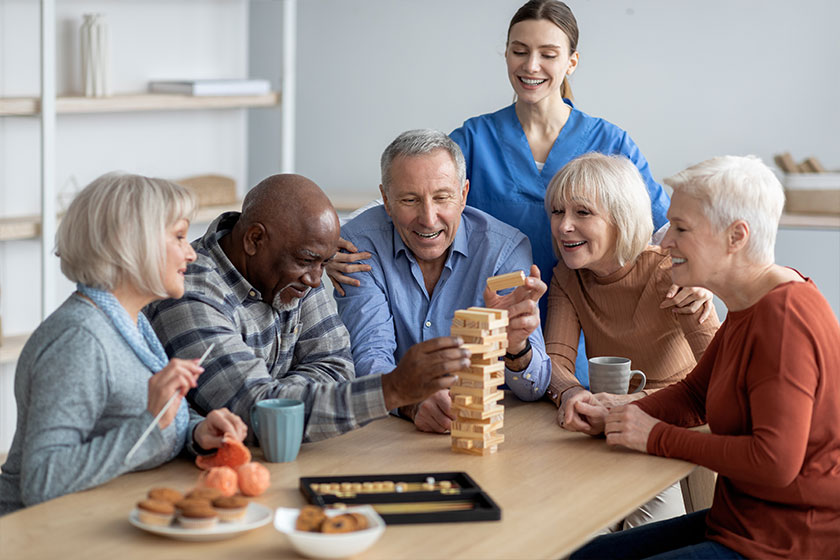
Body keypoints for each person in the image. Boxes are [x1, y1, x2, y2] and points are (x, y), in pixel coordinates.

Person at [327, 0, 712, 386]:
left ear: (571, 62)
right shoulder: (474, 139)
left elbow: (663, 226)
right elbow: (415, 195)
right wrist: (336, 247)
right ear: (507, 54)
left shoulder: (610, 143)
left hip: (577, 332)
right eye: (519, 51)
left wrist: (695, 274)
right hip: (498, 335)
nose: (531, 66)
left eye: (548, 54)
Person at [567, 155, 840, 559]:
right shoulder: (754, 302)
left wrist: (654, 436)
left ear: (736, 237)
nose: (663, 242)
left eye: (681, 228)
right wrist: (620, 412)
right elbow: (695, 396)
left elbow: (775, 462)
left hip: (786, 542)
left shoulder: (784, 319)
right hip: (741, 521)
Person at [146, 174, 470, 444]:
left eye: (324, 263)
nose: (317, 281)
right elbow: (256, 412)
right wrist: (392, 389)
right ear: (254, 239)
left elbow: (337, 365)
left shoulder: (298, 270)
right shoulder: (187, 291)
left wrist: (279, 395)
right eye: (307, 261)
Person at [0, 173, 247, 516]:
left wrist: (196, 432)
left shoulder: (133, 320)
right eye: (179, 236)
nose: (191, 253)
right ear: (131, 243)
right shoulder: (80, 340)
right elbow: (42, 481)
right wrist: (151, 421)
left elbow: (136, 423)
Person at [543, 152, 720, 531]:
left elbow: (723, 381)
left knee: (645, 535)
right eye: (557, 212)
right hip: (607, 430)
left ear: (620, 217)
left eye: (582, 213)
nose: (564, 227)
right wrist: (571, 393)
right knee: (573, 533)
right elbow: (554, 362)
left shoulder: (670, 273)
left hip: (674, 426)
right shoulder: (568, 277)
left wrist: (631, 404)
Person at [335, 129, 550, 433]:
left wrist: (515, 346)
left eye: (442, 197)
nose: (428, 218)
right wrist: (410, 402)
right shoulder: (357, 246)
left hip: (489, 429)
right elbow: (369, 357)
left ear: (463, 195)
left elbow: (534, 387)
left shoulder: (505, 250)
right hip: (389, 434)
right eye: (410, 200)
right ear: (386, 199)